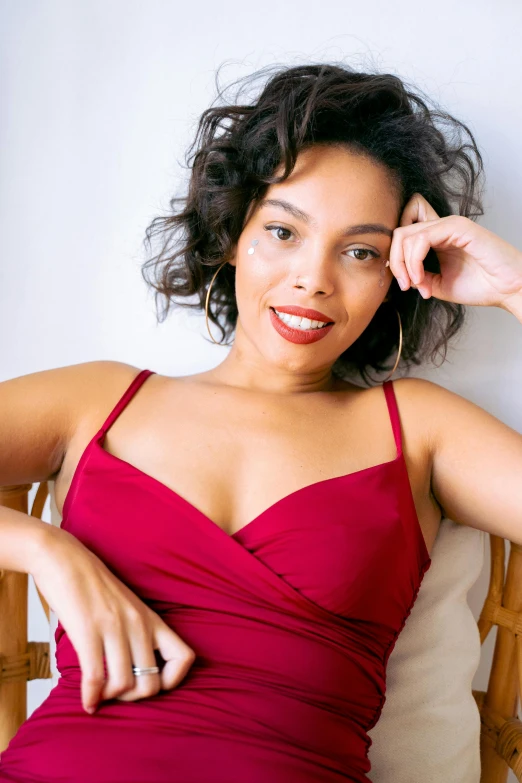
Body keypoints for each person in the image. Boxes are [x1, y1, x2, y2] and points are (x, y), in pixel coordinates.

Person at [0, 61, 521, 783]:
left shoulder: (420, 430)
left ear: (396, 277)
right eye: (284, 231)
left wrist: (516, 287)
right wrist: (45, 549)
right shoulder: (98, 399)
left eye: (361, 250)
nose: (314, 277)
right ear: (231, 232)